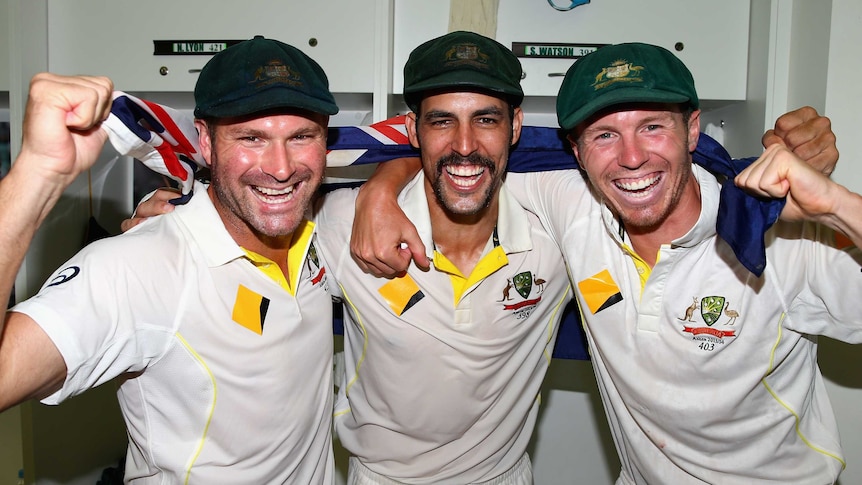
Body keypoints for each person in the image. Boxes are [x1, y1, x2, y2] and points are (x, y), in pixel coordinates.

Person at [353, 42, 861, 484]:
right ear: (574, 152)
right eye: (604, 135)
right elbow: (461, 163)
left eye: (652, 126)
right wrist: (380, 190)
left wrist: (838, 204)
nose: (632, 157)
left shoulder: (774, 234)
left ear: (693, 131)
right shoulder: (572, 204)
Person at [130, 31, 572, 484]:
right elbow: (251, 214)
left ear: (515, 126)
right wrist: (173, 222)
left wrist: (383, 183)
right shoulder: (341, 222)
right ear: (411, 129)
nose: (464, 144)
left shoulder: (559, 229)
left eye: (486, 120)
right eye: (441, 121)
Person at [0, 36, 338, 483]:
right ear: (206, 141)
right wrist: (37, 172)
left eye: (301, 136)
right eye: (251, 137)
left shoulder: (324, 227)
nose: (280, 167)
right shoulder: (142, 265)